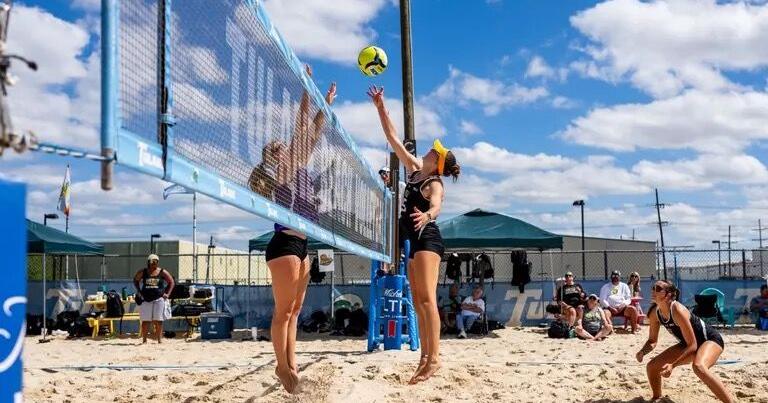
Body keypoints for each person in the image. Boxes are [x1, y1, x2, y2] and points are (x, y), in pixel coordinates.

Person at [368, 85, 460, 384]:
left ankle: (434, 359)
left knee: (428, 300)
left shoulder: (434, 182)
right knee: (419, 300)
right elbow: (393, 139)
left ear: (439, 161)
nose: (432, 148)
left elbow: (436, 206)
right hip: (414, 241)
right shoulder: (416, 169)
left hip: (428, 239)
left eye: (436, 150)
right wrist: (381, 107)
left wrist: (429, 215)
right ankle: (424, 358)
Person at [260, 65, 336, 394]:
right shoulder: (284, 170)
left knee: (294, 311)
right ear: (275, 157)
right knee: (282, 312)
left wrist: (325, 106)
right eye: (280, 149)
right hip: (284, 245)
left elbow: (313, 135)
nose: (287, 149)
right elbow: (300, 132)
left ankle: (291, 365)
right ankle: (281, 366)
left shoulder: (298, 166)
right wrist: (306, 90)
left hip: (302, 247)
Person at [636, 280, 734, 402]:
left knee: (699, 367)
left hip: (710, 340)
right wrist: (642, 352)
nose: (653, 290)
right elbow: (652, 340)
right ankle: (657, 398)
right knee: (652, 367)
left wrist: (673, 365)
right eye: (653, 287)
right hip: (688, 344)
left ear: (668, 295)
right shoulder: (654, 313)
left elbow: (693, 345)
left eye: (658, 288)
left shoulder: (677, 309)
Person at [132, 254, 174, 344]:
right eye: (152, 262)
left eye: (156, 262)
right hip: (146, 299)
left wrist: (167, 293)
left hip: (159, 299)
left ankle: (159, 340)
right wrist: (139, 291)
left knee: (158, 320)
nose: (154, 264)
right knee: (145, 320)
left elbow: (171, 281)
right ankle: (144, 340)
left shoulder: (162, 272)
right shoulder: (143, 272)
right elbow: (135, 280)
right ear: (148, 262)